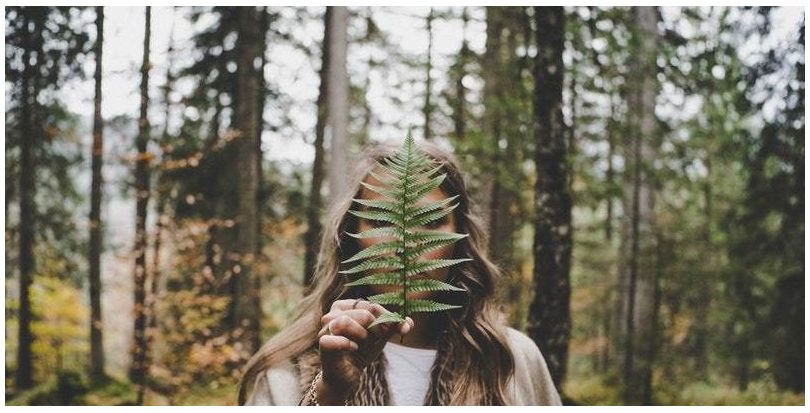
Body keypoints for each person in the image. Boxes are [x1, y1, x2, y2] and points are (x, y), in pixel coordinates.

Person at [238, 139, 562, 406]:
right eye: (381, 222)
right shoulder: (288, 369)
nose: (406, 245)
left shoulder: (514, 361)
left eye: (432, 222)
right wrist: (331, 393)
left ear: (460, 238)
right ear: (352, 236)